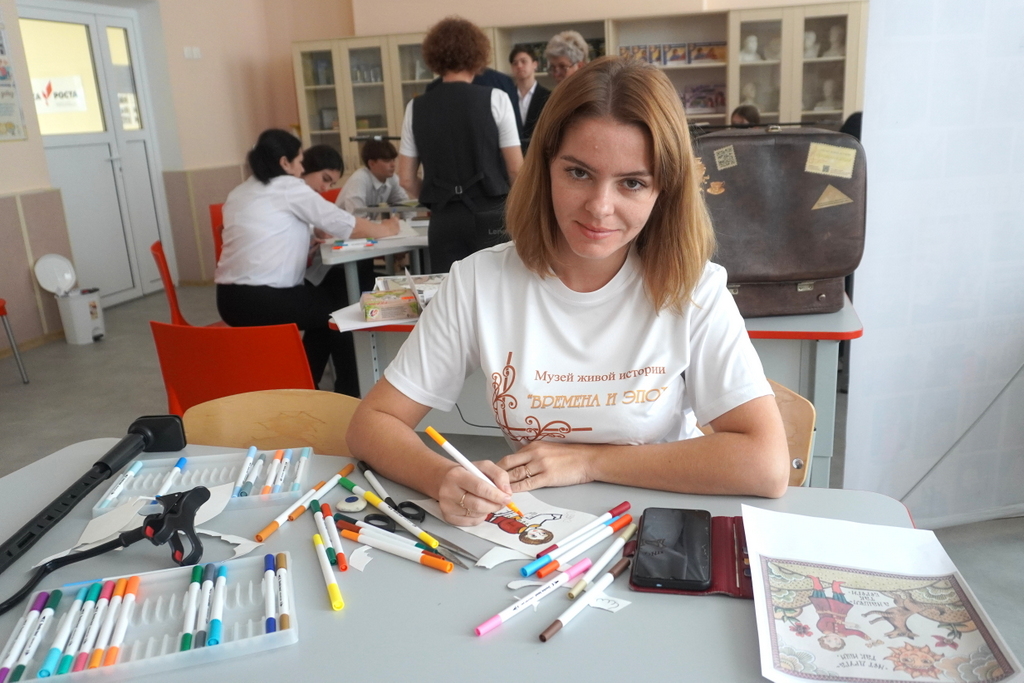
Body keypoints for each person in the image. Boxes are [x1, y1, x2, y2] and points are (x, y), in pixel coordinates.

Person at [349, 57, 790, 527]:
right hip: (535, 530)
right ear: (544, 168)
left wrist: (587, 461)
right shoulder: (479, 281)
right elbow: (371, 424)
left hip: (656, 529)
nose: (600, 207)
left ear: (665, 190)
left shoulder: (694, 286)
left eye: (632, 183)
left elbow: (766, 464)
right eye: (579, 173)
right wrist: (441, 477)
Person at [215, 129, 399, 396]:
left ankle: (307, 384)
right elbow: (346, 224)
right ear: (284, 162)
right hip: (264, 299)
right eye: (299, 161)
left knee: (326, 306)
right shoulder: (288, 187)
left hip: (229, 300)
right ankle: (345, 391)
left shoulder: (240, 190)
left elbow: (270, 230)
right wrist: (386, 229)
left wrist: (306, 238)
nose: (302, 168)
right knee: (341, 311)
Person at [398, 17, 523, 274]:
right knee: (496, 287)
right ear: (478, 55)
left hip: (443, 219)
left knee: (449, 290)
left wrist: (438, 200)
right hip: (491, 214)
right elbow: (516, 170)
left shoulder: (415, 107)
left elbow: (405, 179)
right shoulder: (497, 99)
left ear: (434, 57)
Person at [336, 139, 409, 214]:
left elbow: (405, 205)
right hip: (343, 221)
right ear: (371, 163)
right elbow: (357, 216)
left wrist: (409, 220)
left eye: (393, 160)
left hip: (363, 220)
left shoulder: (392, 178)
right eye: (387, 161)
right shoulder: (359, 179)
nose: (393, 165)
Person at [509, 45, 551, 152]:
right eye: (515, 63)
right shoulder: (506, 97)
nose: (519, 66)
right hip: (513, 153)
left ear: (535, 64)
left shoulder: (548, 96)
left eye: (523, 61)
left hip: (539, 152)